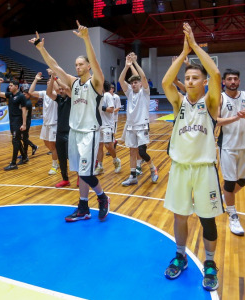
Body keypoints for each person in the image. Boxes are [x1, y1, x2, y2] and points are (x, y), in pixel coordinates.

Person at [161, 23, 223, 291]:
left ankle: (210, 263)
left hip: (204, 169)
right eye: (187, 78)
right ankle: (181, 256)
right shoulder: (178, 103)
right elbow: (165, 81)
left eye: (195, 78)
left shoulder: (210, 103)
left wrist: (195, 46)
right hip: (180, 168)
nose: (190, 81)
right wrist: (182, 50)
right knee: (180, 216)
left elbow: (217, 73)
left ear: (204, 82)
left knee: (207, 218)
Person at [29, 21, 111, 222]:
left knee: (86, 172)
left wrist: (86, 39)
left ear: (89, 66)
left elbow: (97, 64)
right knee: (81, 172)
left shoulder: (96, 82)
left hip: (90, 132)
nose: (77, 66)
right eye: (76, 64)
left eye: (81, 64)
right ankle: (83, 207)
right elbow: (54, 66)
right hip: (75, 132)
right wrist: (41, 49)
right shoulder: (73, 83)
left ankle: (102, 198)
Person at [217, 69, 245, 236]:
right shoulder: (220, 97)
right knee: (230, 181)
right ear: (224, 82)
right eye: (229, 79)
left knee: (244, 179)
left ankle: (224, 198)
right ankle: (233, 215)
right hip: (227, 145)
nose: (232, 81)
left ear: (239, 81)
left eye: (235, 79)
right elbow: (216, 121)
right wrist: (235, 118)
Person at [118, 53, 158, 186]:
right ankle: (133, 176)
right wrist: (126, 66)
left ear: (140, 84)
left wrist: (134, 62)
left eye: (136, 82)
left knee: (142, 151)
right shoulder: (129, 92)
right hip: (131, 126)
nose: (133, 84)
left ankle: (152, 168)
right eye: (132, 83)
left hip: (142, 125)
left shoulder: (145, 92)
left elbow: (143, 76)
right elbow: (120, 80)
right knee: (132, 152)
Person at [45, 70, 72, 187]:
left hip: (71, 132)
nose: (61, 90)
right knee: (61, 157)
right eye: (59, 89)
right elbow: (48, 93)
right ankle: (65, 179)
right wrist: (52, 78)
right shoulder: (59, 99)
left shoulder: (72, 98)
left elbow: (67, 87)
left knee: (72, 157)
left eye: (62, 89)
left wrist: (56, 78)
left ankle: (79, 177)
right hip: (60, 132)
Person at [29, 71, 59, 174]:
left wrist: (53, 77)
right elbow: (31, 92)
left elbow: (56, 89)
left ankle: (55, 165)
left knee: (53, 146)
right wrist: (36, 79)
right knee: (47, 143)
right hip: (45, 124)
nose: (48, 83)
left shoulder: (56, 94)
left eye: (51, 82)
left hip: (54, 124)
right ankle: (58, 156)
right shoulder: (44, 94)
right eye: (47, 82)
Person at [0, 79, 27, 170]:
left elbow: (24, 111)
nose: (9, 87)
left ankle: (13, 163)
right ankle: (24, 157)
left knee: (15, 141)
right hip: (12, 121)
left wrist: (24, 124)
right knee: (16, 140)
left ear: (16, 87)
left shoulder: (21, 96)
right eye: (9, 85)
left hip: (18, 121)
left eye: (11, 85)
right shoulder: (10, 95)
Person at [94, 80, 121, 176]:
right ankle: (100, 166)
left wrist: (101, 107)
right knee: (99, 147)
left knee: (108, 145)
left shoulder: (108, 95)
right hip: (98, 125)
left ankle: (116, 160)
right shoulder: (96, 96)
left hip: (107, 125)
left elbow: (111, 109)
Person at [21, 89, 39, 163]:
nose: (23, 95)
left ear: (29, 95)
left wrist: (24, 124)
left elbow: (25, 114)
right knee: (24, 138)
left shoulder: (27, 103)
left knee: (24, 138)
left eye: (24, 94)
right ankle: (25, 153)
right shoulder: (25, 102)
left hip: (26, 123)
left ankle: (33, 146)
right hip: (26, 122)